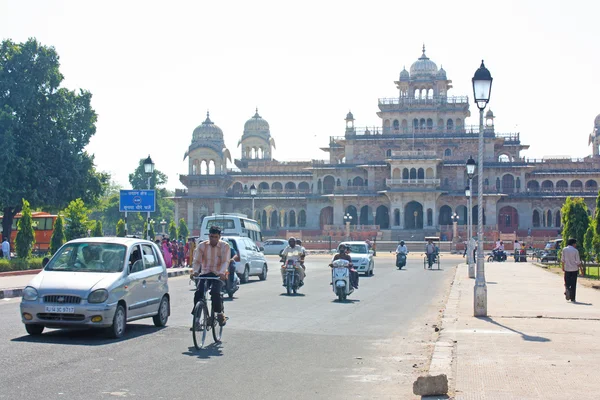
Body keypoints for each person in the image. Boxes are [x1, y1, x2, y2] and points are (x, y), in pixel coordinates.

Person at [191, 226, 230, 326]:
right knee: (199, 293)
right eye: (211, 236)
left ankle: (219, 313)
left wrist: (222, 273)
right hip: (205, 273)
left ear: (219, 237)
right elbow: (197, 261)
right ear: (209, 236)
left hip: (218, 274)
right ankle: (196, 318)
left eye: (216, 237)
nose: (213, 239)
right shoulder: (202, 246)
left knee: (215, 293)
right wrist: (195, 272)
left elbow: (226, 261)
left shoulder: (224, 246)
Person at [561, 238, 582, 302]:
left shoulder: (564, 249)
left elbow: (562, 260)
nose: (576, 245)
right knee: (573, 284)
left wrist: (563, 267)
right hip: (574, 269)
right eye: (575, 243)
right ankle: (572, 298)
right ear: (573, 243)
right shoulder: (575, 251)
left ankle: (567, 289)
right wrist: (581, 270)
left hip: (567, 269)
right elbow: (578, 262)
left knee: (567, 282)